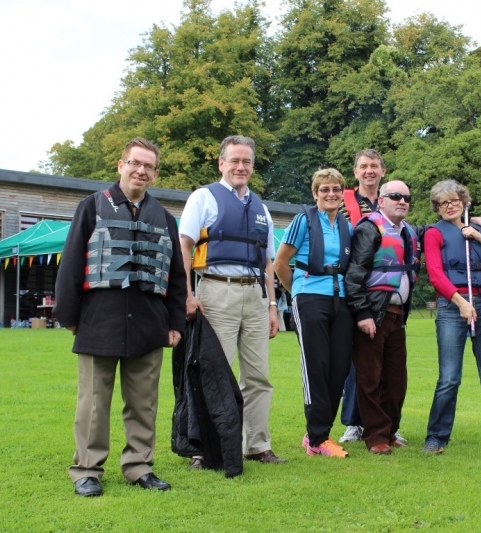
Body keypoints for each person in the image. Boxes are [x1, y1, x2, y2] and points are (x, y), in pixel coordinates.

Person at [55, 138, 187, 497]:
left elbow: (177, 276)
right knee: (93, 404)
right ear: (120, 165)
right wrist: (69, 316)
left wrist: (175, 322)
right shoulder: (91, 206)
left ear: (155, 173)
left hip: (149, 321)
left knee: (144, 403)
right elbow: (71, 262)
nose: (140, 171)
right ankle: (87, 470)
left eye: (148, 166)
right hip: (99, 319)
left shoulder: (165, 218)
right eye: (135, 163)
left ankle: (139, 466)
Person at [179, 135, 286, 466]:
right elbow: (184, 246)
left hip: (255, 296)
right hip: (216, 290)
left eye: (247, 162)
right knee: (214, 372)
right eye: (235, 160)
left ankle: (257, 444)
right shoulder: (203, 198)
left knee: (258, 376)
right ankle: (207, 449)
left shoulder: (261, 209)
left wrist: (272, 307)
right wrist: (186, 293)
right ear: (221, 163)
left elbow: (267, 262)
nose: (241, 167)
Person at [422, 179, 481, 455]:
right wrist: (460, 302)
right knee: (449, 377)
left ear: (463, 202)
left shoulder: (477, 230)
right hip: (453, 306)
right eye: (443, 203)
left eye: (454, 201)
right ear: (437, 208)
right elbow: (435, 275)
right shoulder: (434, 233)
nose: (450, 206)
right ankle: (436, 437)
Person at [274, 168, 354, 458]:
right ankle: (318, 438)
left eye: (336, 189)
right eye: (325, 189)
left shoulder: (346, 226)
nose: (331, 194)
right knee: (316, 366)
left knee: (339, 367)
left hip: (340, 299)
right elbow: (280, 263)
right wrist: (296, 291)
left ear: (342, 193)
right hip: (309, 296)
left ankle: (319, 434)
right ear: (315, 193)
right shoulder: (304, 221)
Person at [345, 180, 420, 454]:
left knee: (396, 380)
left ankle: (389, 431)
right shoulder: (369, 228)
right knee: (369, 378)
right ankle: (375, 436)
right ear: (381, 200)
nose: (402, 201)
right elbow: (355, 273)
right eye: (396, 196)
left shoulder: (408, 232)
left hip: (397, 316)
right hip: (373, 314)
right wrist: (362, 313)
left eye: (406, 198)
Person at [336, 149, 386, 444]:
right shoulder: (342, 201)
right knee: (356, 359)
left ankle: (385, 421)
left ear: (383, 171)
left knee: (385, 359)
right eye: (364, 166)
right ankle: (354, 422)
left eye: (374, 166)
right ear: (355, 172)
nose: (369, 171)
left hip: (384, 289)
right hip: (353, 286)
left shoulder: (391, 200)